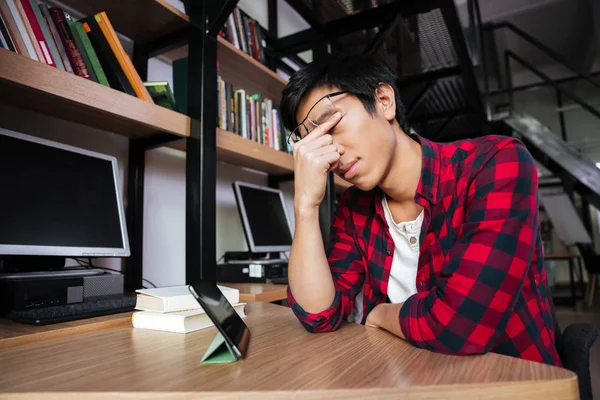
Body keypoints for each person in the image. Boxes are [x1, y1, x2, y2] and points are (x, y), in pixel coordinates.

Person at [280, 53, 561, 366]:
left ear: (384, 100)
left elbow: (460, 325)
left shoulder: (496, 162)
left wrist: (380, 314)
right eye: (313, 142)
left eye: (331, 124)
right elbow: (320, 316)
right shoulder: (353, 208)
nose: (330, 152)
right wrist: (305, 206)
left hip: (511, 381)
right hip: (409, 379)